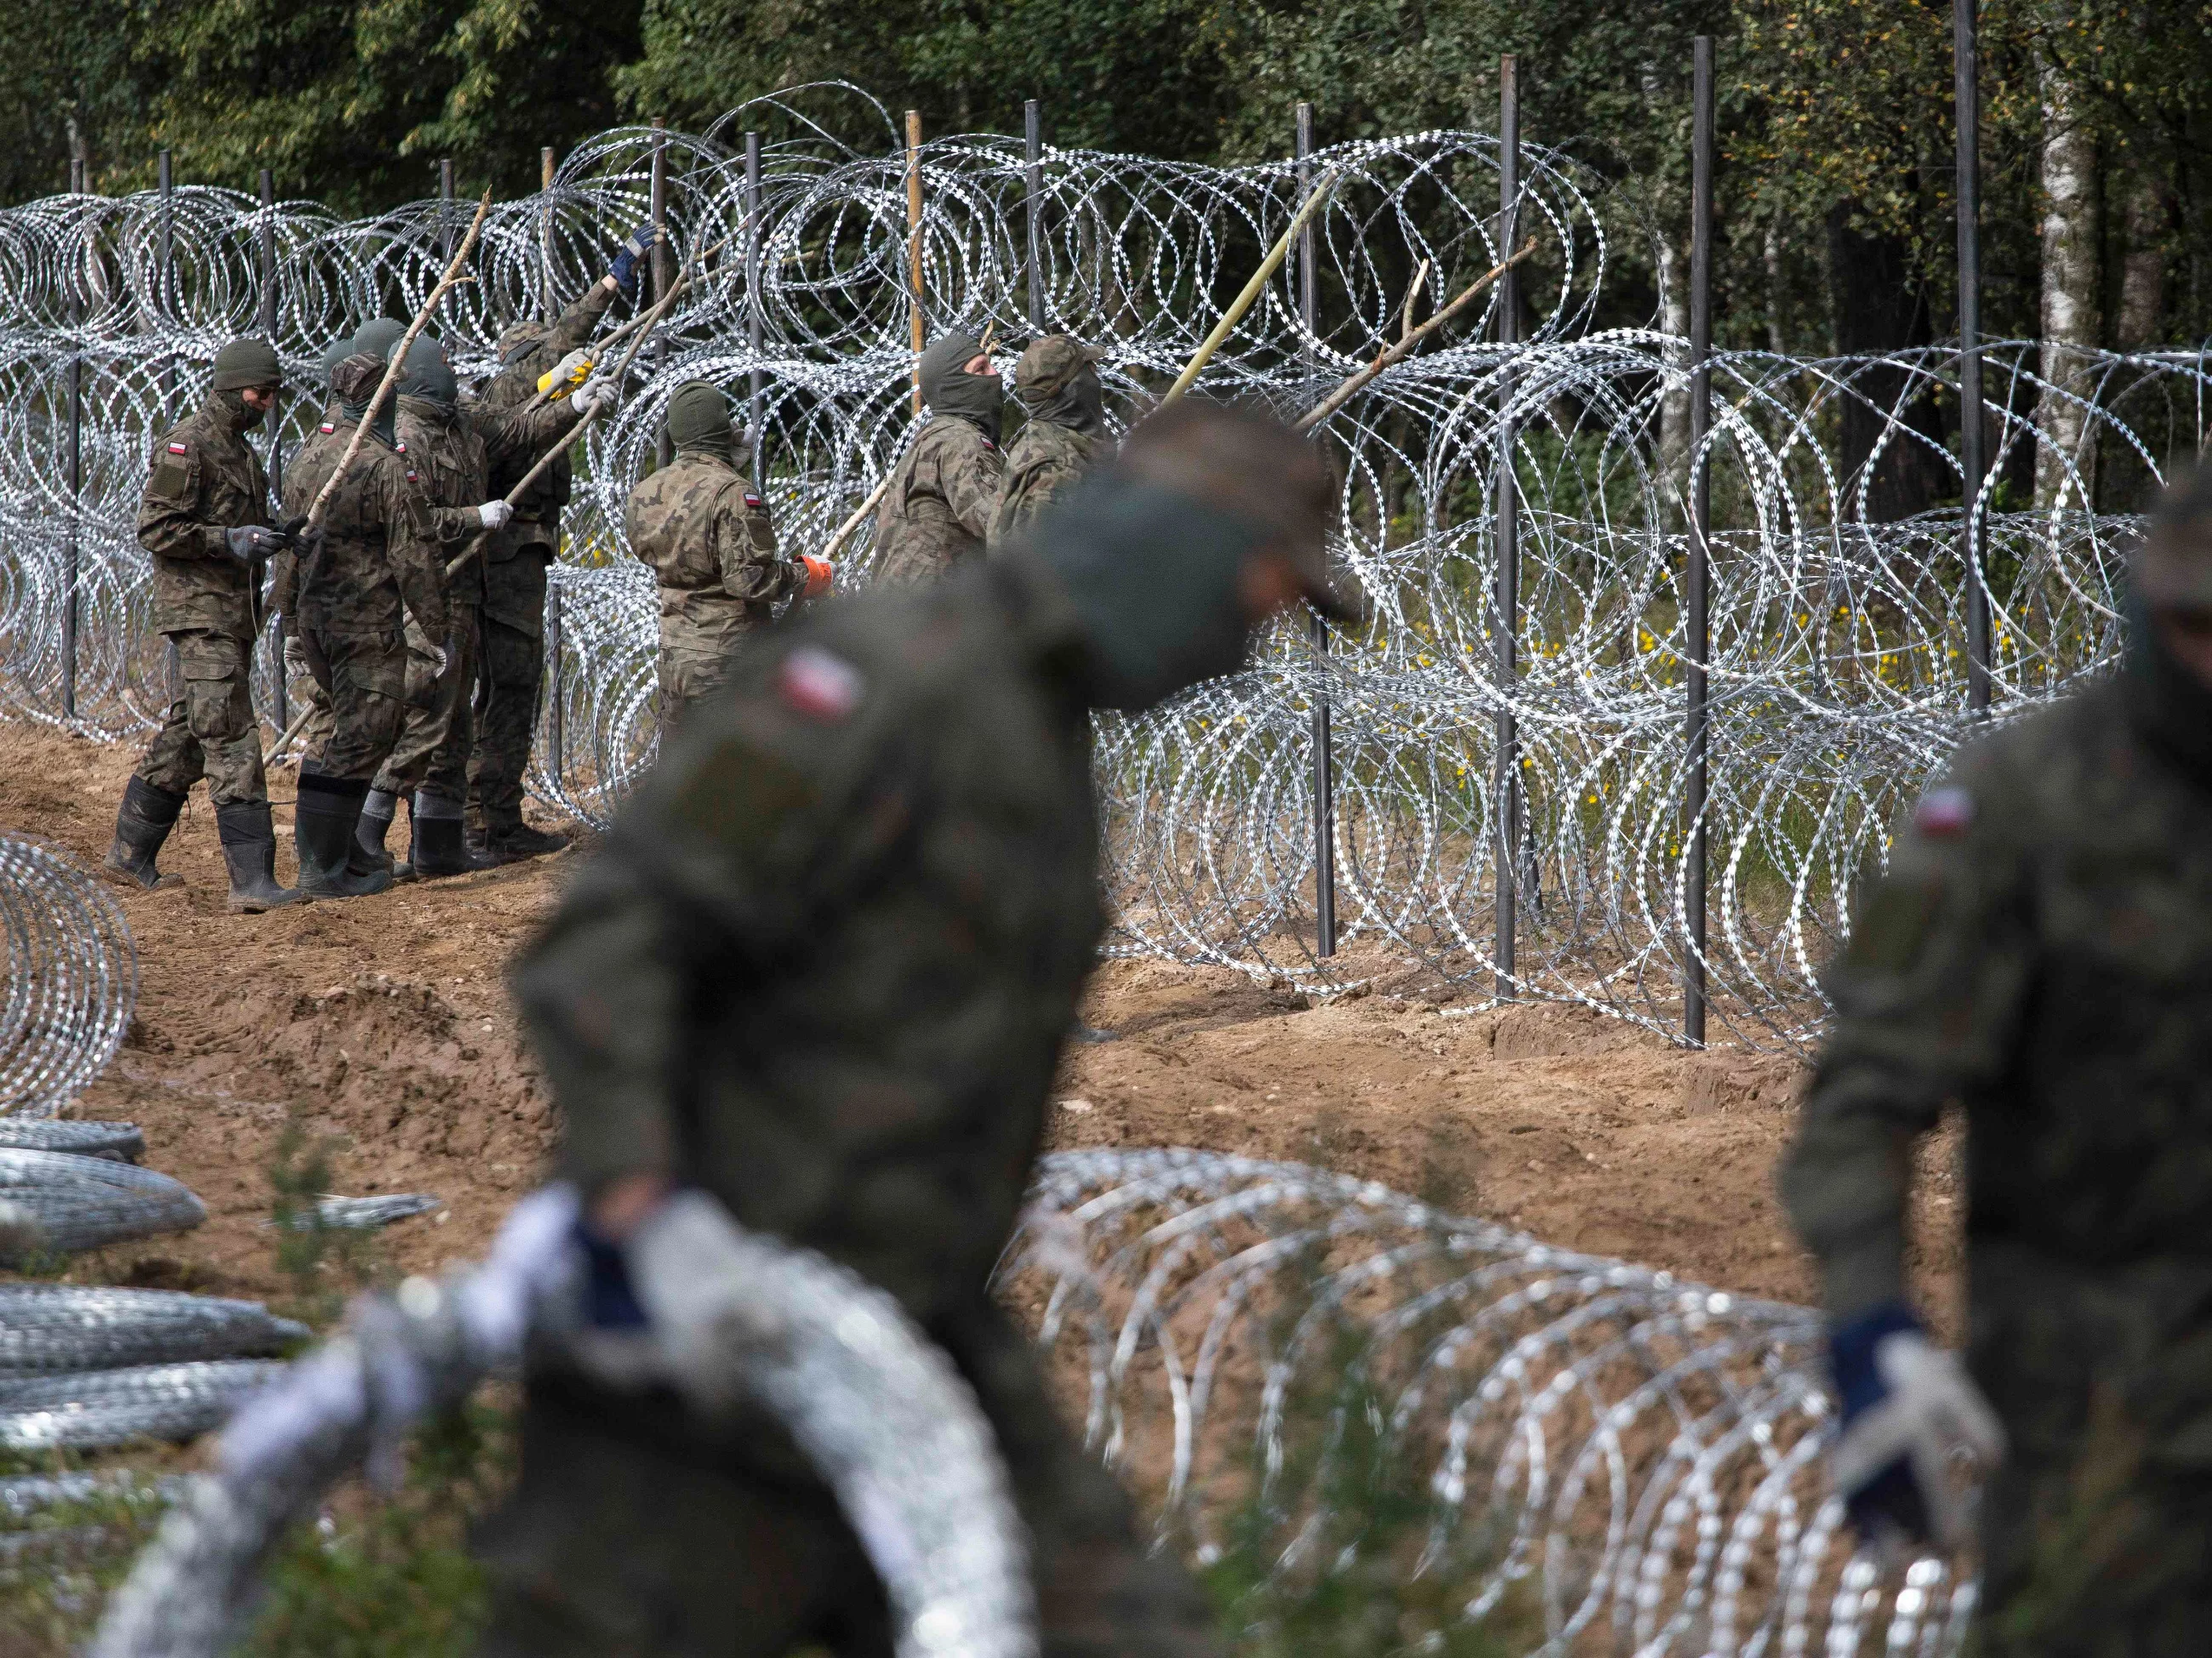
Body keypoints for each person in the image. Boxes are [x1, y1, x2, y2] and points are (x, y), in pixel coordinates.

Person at [477, 401, 1355, 1656]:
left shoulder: (1032, 734)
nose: (1239, 653)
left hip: (907, 1328)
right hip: (713, 1339)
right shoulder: (886, 681)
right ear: (1173, 551)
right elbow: (607, 946)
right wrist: (640, 1214)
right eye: (1251, 602)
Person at [1782, 464, 2212, 1652]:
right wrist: (1869, 1320)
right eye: (2194, 626)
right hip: (2112, 1435)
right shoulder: (2026, 806)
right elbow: (1867, 1091)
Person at [360, 336, 606, 878]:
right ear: (422, 374)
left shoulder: (461, 420)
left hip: (466, 597)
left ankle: (438, 845)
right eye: (443, 364)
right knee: (425, 721)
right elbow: (416, 524)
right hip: (427, 599)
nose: (454, 370)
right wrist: (476, 518)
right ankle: (365, 838)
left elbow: (516, 426)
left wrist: (570, 402)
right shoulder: (404, 441)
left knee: (454, 728)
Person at [465, 222, 658, 865]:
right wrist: (610, 281)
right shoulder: (511, 398)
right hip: (507, 561)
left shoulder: (518, 403)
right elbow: (566, 338)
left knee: (504, 690)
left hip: (515, 556)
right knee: (512, 689)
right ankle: (490, 822)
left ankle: (483, 817)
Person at [105, 337, 299, 914]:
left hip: (230, 613)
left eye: (272, 394)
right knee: (233, 734)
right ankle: (252, 882)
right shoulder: (188, 446)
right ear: (234, 386)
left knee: (192, 733)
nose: (267, 404)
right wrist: (229, 541)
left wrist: (279, 535)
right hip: (199, 613)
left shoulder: (239, 451)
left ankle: (128, 852)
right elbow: (156, 528)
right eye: (261, 392)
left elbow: (245, 526)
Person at [276, 350, 450, 899]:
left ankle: (343, 855)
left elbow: (290, 543)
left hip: (315, 620)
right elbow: (413, 557)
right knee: (360, 739)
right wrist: (437, 628)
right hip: (366, 625)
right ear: (381, 399)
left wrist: (286, 618)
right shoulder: (381, 465)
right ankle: (323, 869)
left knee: (342, 733)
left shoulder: (308, 455)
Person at [622, 379, 831, 732]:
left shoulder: (645, 492)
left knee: (683, 776)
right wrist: (806, 574)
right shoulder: (734, 493)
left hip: (674, 655)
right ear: (722, 427)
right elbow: (748, 580)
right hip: (727, 661)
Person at [873, 331, 1004, 585]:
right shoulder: (960, 441)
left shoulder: (930, 440)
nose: (995, 374)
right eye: (981, 370)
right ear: (954, 384)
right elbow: (1001, 523)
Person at [990, 336, 1111, 544]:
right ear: (1076, 386)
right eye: (1090, 369)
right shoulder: (1058, 471)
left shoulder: (1045, 442)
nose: (1096, 376)